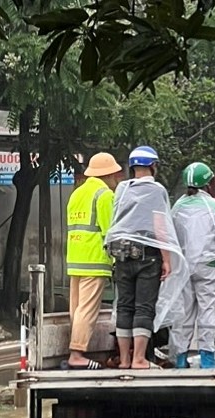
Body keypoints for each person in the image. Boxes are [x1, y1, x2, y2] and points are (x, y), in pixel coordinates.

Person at [105, 146, 187, 369]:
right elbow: (160, 226)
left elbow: (116, 220)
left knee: (124, 306)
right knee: (144, 307)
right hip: (148, 256)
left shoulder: (122, 188)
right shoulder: (156, 190)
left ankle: (124, 360)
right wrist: (167, 259)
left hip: (122, 254)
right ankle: (139, 359)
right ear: (153, 166)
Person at [170, 162, 215, 369]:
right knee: (208, 309)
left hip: (183, 267)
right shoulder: (212, 206)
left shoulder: (177, 207)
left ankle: (180, 358)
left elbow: (171, 236)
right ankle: (207, 357)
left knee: (184, 312)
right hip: (208, 266)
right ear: (208, 183)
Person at [65, 152, 123, 369]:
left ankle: (77, 349)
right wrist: (116, 259)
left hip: (75, 258)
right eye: (115, 174)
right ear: (108, 174)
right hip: (94, 259)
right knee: (88, 309)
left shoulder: (77, 193)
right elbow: (110, 231)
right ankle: (76, 354)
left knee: (77, 308)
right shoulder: (104, 195)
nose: (117, 178)